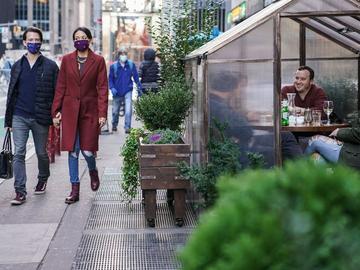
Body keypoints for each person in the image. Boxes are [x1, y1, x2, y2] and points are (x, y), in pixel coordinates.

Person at [51, 27, 108, 204]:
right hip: (69, 111)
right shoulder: (67, 60)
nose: (80, 40)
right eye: (77, 38)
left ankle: (93, 171)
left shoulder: (98, 61)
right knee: (73, 151)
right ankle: (74, 190)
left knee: (87, 151)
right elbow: (61, 86)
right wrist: (55, 111)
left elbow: (103, 89)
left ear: (90, 40)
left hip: (89, 111)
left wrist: (102, 113)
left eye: (83, 37)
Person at [4, 27, 59, 205]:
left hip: (40, 116)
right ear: (24, 42)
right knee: (18, 153)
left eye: (37, 40)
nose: (34, 43)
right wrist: (8, 120)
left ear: (41, 42)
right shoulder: (17, 66)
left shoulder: (50, 66)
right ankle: (20, 191)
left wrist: (57, 113)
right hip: (19, 115)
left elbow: (57, 93)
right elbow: (12, 93)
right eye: (30, 40)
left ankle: (43, 178)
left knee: (41, 153)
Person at [108, 47, 141, 133]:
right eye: (122, 54)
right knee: (115, 111)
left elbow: (136, 77)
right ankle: (114, 125)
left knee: (128, 110)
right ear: (119, 55)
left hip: (127, 90)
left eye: (125, 54)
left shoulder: (130, 65)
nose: (123, 56)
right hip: (117, 91)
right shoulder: (113, 66)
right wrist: (112, 88)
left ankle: (127, 127)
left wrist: (139, 87)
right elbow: (110, 79)